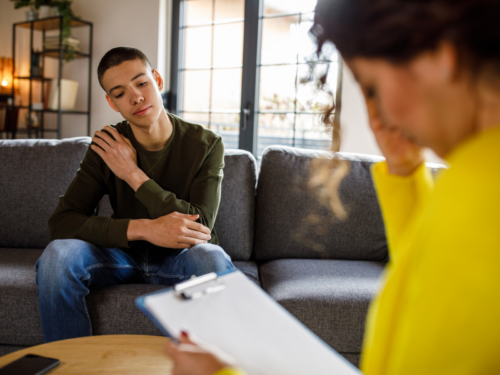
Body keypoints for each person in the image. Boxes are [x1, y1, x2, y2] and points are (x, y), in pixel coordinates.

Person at [162, 0, 500, 374]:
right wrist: (404, 173)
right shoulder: (474, 183)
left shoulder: (478, 199)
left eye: (372, 88)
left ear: (440, 57)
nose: (379, 116)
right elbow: (428, 293)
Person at [35, 47, 235, 343]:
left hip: (181, 259)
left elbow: (200, 226)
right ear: (112, 102)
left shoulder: (205, 144)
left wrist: (132, 173)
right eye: (119, 93)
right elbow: (62, 223)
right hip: (121, 257)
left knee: (212, 258)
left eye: (141, 83)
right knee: (57, 257)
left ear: (157, 79)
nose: (136, 97)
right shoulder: (107, 145)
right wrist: (144, 229)